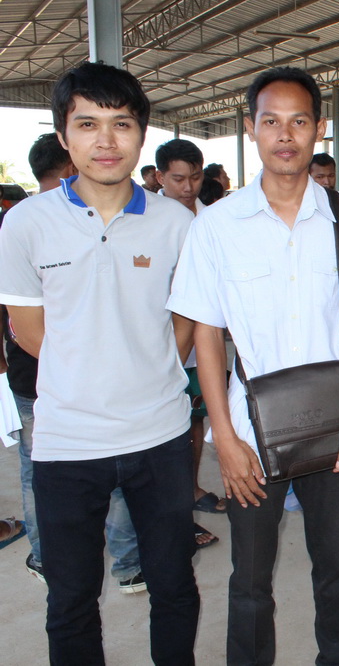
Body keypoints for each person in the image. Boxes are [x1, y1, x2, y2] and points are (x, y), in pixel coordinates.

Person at [168, 66, 339, 666]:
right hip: (250, 432)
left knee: (335, 565)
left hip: (336, 427)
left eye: (298, 121)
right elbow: (208, 337)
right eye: (271, 122)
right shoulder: (216, 226)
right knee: (250, 578)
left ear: (318, 128)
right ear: (251, 128)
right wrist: (224, 439)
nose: (285, 135)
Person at [0, 61, 199, 664]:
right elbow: (28, 330)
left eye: (122, 124)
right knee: (71, 600)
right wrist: (89, 373)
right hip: (66, 441)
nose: (106, 140)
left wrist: (148, 370)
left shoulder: (176, 222)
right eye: (87, 124)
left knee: (174, 586)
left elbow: (185, 321)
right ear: (64, 136)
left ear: (142, 134)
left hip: (160, 435)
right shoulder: (26, 223)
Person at [3, 132, 147, 588]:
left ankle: (46, 558)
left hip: (28, 375)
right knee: (107, 475)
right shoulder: (27, 223)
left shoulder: (19, 221)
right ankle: (127, 565)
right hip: (51, 380)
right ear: (70, 162)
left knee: (35, 473)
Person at [155, 138, 227, 542]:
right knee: (164, 431)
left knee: (195, 419)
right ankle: (171, 515)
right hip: (159, 345)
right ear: (159, 177)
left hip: (202, 347)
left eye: (195, 178)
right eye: (178, 179)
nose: (187, 187)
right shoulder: (147, 221)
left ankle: (191, 488)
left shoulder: (212, 219)